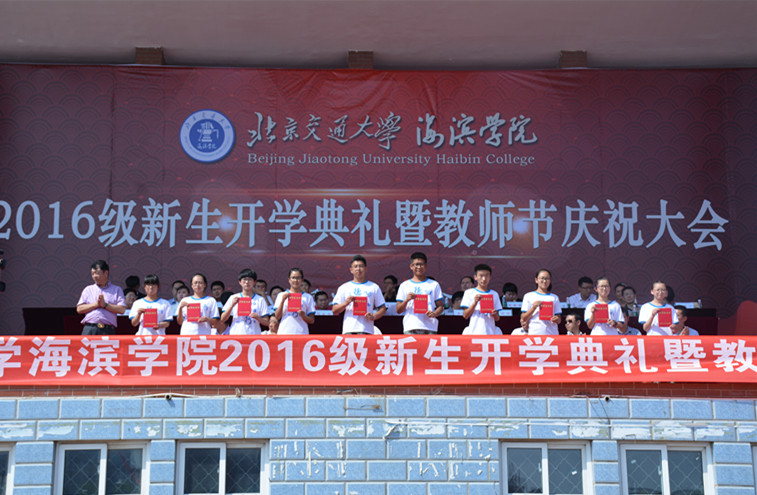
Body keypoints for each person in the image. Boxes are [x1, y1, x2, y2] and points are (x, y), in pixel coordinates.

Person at [332, 255, 386, 335]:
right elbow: (334, 310)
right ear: (351, 270)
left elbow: (383, 309)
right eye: (355, 266)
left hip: (366, 329)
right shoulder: (344, 287)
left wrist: (374, 316)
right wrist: (346, 302)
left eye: (361, 266)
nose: (358, 269)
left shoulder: (374, 287)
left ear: (366, 269)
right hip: (349, 329)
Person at [396, 252, 444, 334]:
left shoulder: (434, 284)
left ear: (426, 266)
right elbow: (398, 310)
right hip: (411, 326)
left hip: (430, 327)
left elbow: (440, 306)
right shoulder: (404, 285)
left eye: (421, 264)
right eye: (416, 264)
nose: (419, 267)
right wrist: (406, 300)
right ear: (411, 266)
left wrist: (434, 313)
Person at [76, 260, 126, 335]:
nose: (94, 276)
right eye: (92, 273)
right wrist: (96, 304)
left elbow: (122, 310)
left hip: (108, 329)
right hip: (90, 328)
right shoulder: (88, 289)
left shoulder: (117, 290)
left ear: (106, 273)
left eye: (97, 273)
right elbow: (79, 309)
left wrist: (105, 305)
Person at [220, 268, 270, 335]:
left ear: (254, 282)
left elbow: (267, 322)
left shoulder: (260, 300)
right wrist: (232, 305)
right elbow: (222, 319)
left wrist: (258, 318)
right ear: (240, 282)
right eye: (244, 279)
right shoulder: (233, 297)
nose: (247, 282)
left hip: (254, 334)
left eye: (250, 279)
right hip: (236, 334)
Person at [461, 263, 502, 335]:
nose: (484, 279)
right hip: (474, 332)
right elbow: (465, 315)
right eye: (481, 275)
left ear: (490, 277)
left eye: (487, 275)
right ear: (475, 277)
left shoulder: (494, 294)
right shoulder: (469, 293)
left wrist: (494, 314)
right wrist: (474, 303)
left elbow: (497, 318)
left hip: (490, 332)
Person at [274, 268, 316, 335]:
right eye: (293, 278)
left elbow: (312, 320)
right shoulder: (281, 295)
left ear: (302, 280)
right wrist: (282, 301)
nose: (295, 280)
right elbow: (277, 316)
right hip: (284, 332)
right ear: (289, 280)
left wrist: (303, 316)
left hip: (301, 333)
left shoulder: (308, 297)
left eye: (298, 278)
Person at [520, 268, 562, 335]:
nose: (544, 281)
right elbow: (523, 317)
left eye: (547, 279)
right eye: (542, 278)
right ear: (536, 280)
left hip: (551, 333)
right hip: (535, 332)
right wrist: (533, 307)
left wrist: (556, 319)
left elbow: (559, 319)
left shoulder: (554, 297)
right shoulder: (528, 296)